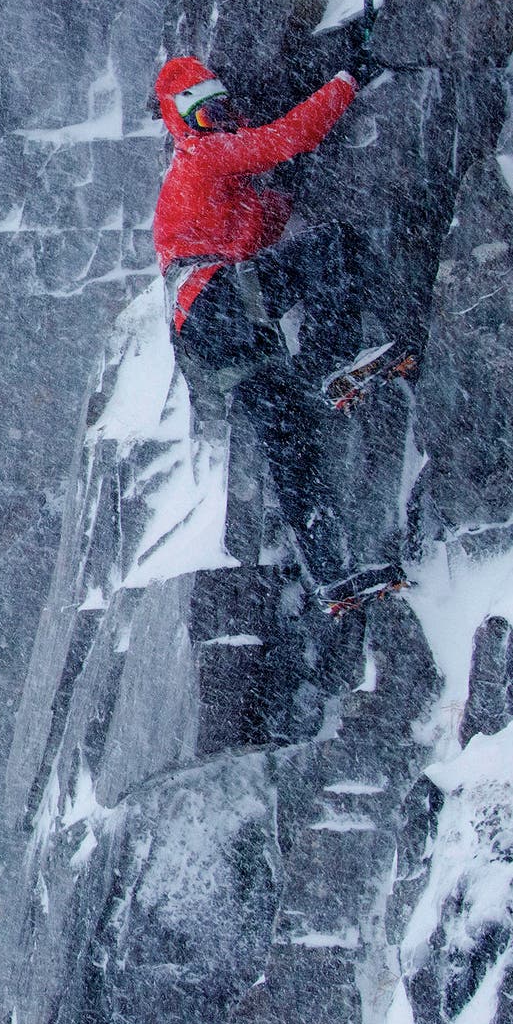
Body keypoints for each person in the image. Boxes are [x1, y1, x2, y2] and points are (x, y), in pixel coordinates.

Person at [150, 53, 396, 609]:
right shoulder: (200, 158)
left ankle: (331, 573)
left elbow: (271, 216)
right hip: (219, 305)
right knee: (333, 248)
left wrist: (301, 176)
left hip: (214, 338)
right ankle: (332, 365)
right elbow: (291, 137)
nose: (223, 123)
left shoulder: (224, 186)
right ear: (186, 122)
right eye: (209, 115)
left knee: (292, 443)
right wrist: (346, 79)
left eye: (225, 111)